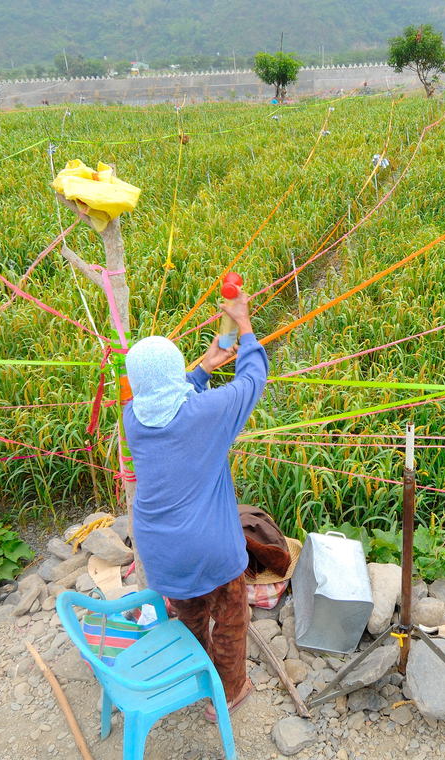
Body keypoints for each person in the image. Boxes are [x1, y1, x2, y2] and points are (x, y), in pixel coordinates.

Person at [122, 291, 267, 719]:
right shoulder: (206, 414)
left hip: (161, 551)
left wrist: (204, 367)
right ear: (173, 373)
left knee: (189, 616)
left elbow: (167, 395)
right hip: (209, 548)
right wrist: (243, 323)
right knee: (230, 617)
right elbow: (253, 380)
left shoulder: (132, 416)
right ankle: (230, 690)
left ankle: (194, 678)